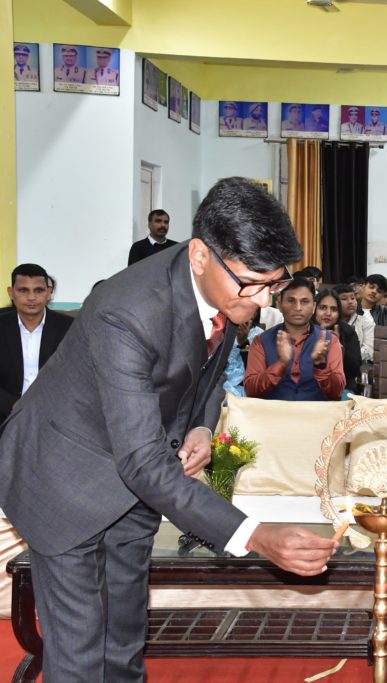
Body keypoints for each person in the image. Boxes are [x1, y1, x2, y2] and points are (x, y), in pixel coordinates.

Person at [0, 178, 339, 683]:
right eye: (253, 284)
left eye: (274, 284)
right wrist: (256, 535)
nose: (264, 300)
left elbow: (206, 372)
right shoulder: (127, 312)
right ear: (200, 255)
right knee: (81, 655)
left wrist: (200, 426)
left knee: (124, 640)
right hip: (63, 478)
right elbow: (143, 462)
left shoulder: (224, 288)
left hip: (133, 485)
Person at [244, 278, 344, 401]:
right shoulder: (261, 341)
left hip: (317, 412)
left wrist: (320, 366)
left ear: (313, 307)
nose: (298, 307)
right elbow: (251, 391)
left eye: (304, 302)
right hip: (274, 412)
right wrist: (281, 364)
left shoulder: (330, 341)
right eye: (291, 301)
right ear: (279, 304)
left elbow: (337, 393)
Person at [0, 264, 75, 419]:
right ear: (11, 293)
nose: (31, 297)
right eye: (23, 290)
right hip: (5, 415)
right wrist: (12, 405)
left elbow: (78, 375)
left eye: (39, 290)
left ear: (48, 292)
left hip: (56, 415)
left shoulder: (69, 328)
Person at [314, 289, 360, 399]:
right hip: (310, 386)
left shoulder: (348, 332)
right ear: (314, 309)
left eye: (334, 309)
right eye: (323, 308)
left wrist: (338, 348)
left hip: (343, 387)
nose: (328, 313)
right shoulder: (306, 331)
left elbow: (354, 370)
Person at [337, 283, 375, 363]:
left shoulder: (366, 322)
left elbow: (369, 351)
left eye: (352, 298)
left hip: (359, 365)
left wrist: (346, 355)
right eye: (344, 299)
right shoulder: (330, 321)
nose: (350, 302)